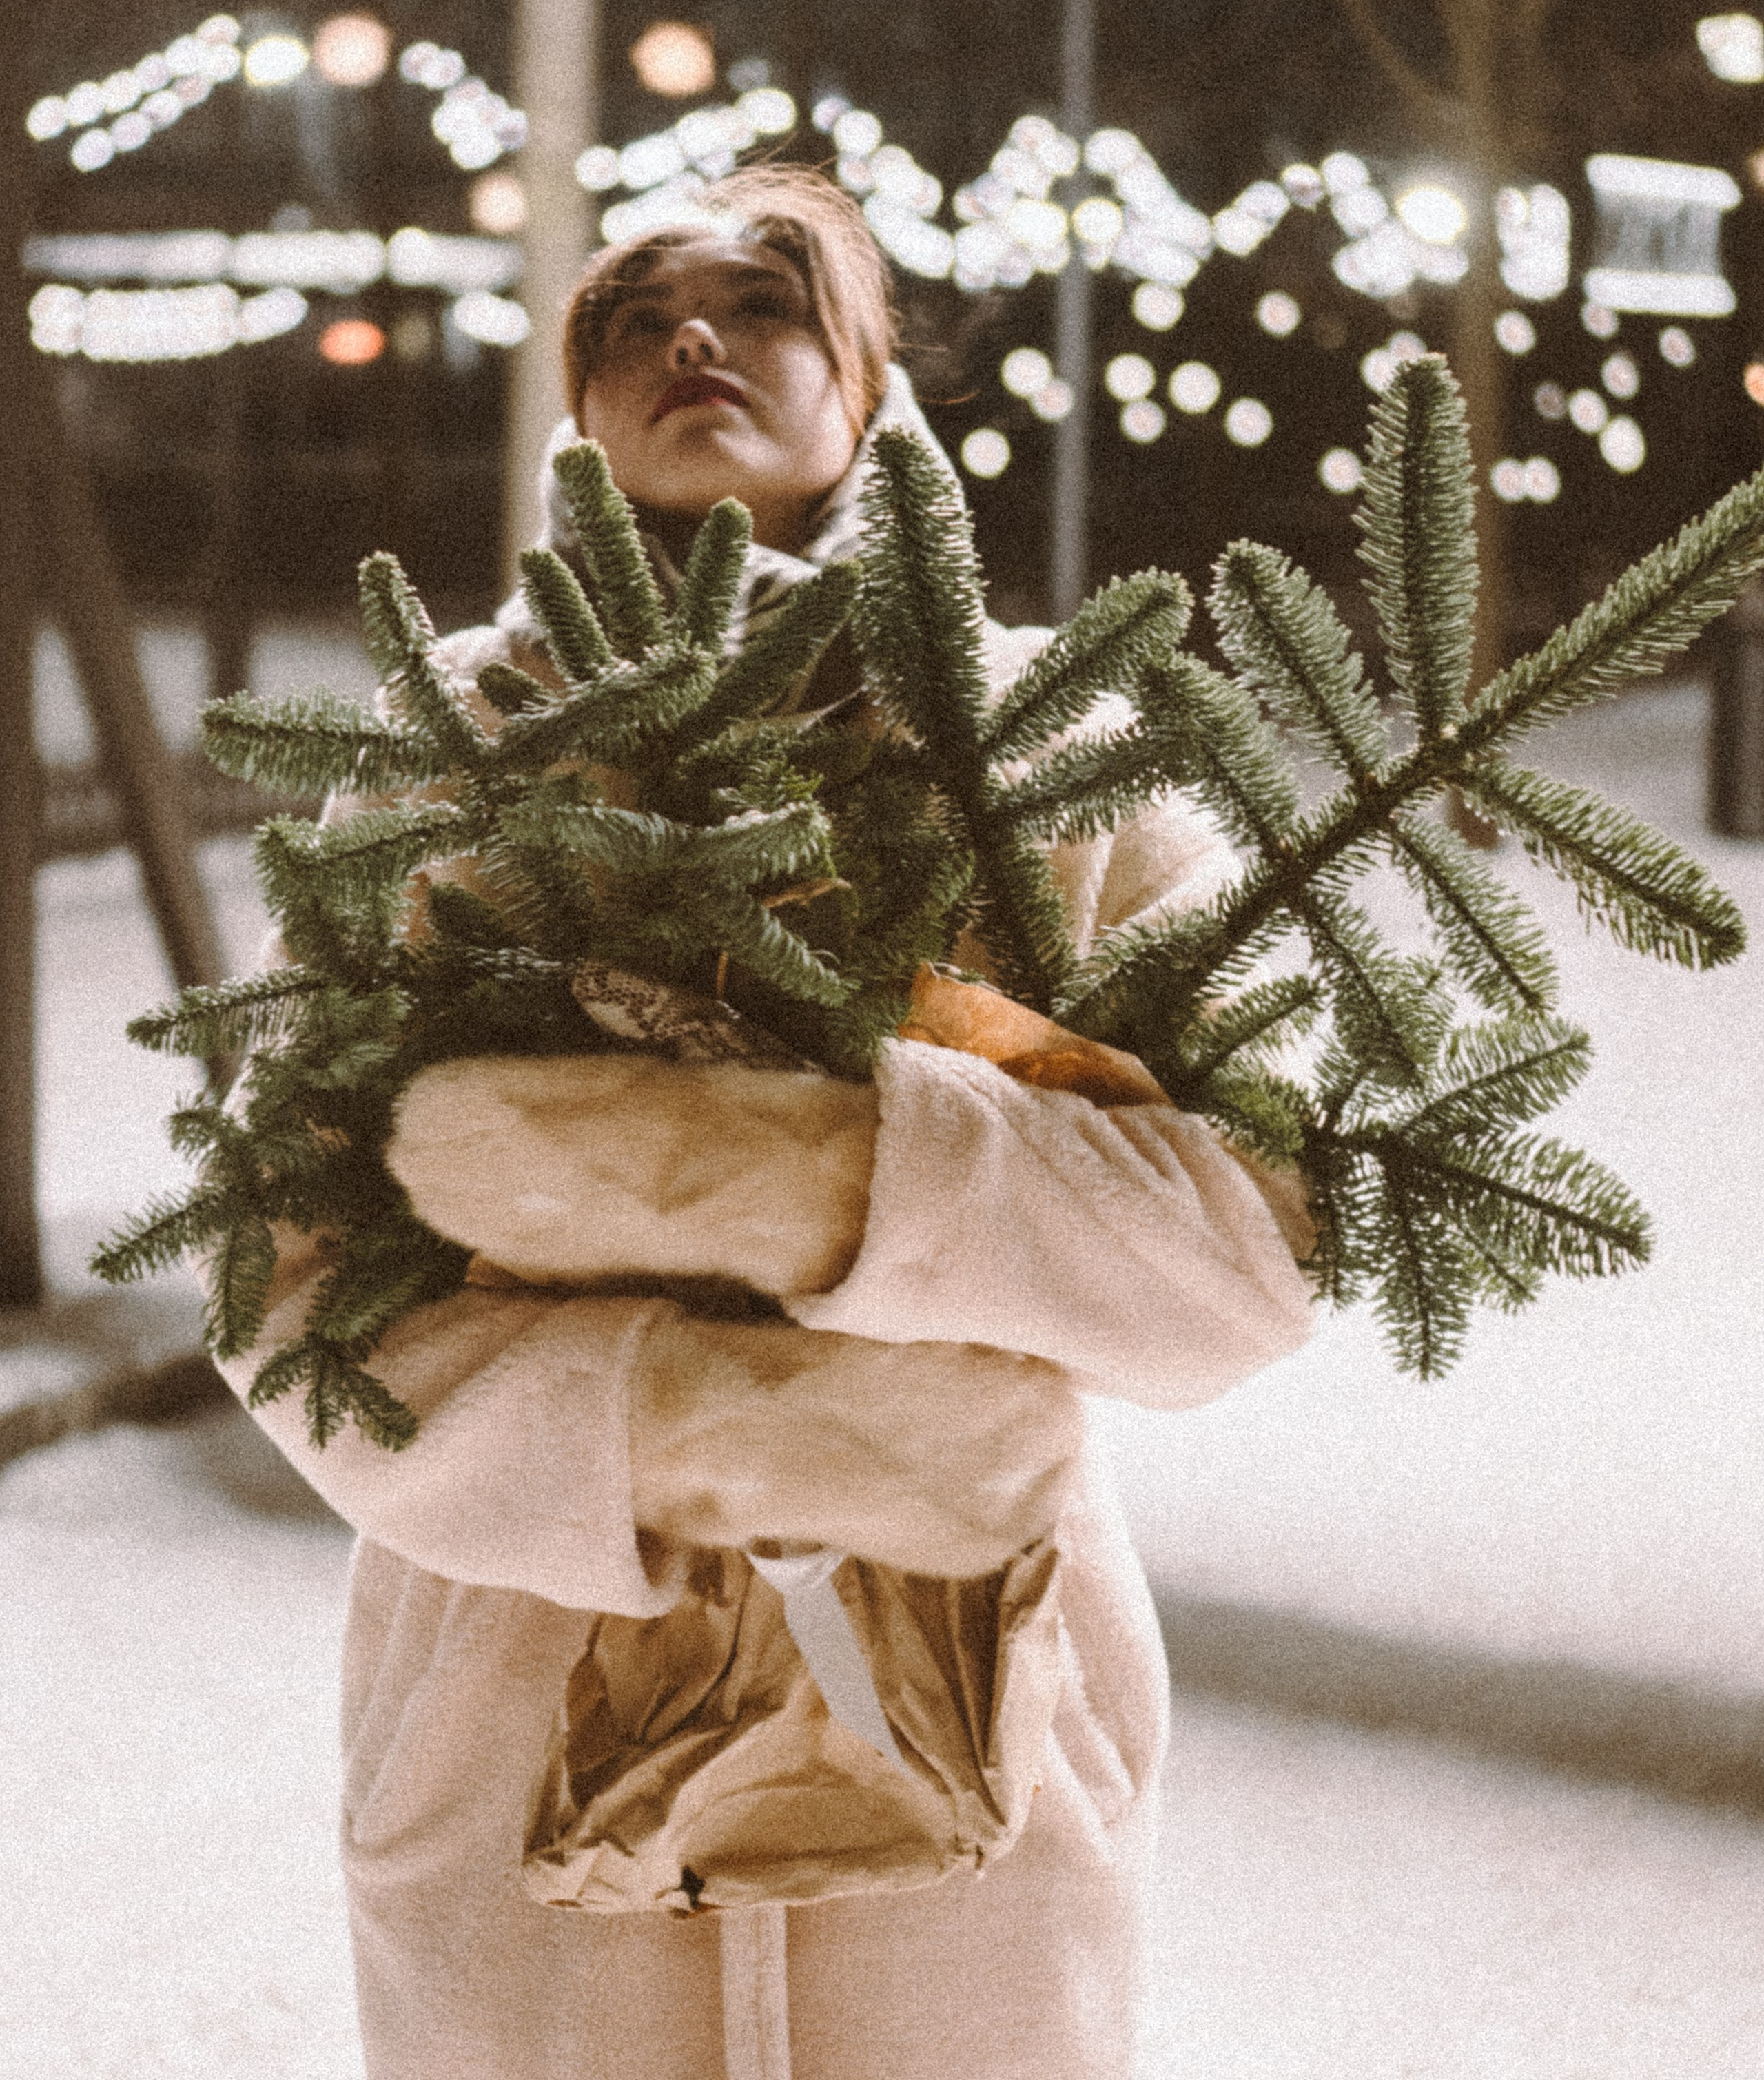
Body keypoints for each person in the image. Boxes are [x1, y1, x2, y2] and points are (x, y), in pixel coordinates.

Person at [223, 165, 1316, 2080]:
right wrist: (675, 1428)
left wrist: (830, 1181)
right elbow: (280, 1268)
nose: (694, 341)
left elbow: (1252, 1237)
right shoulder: (434, 767)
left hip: (981, 1707)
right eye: (637, 317)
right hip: (510, 1716)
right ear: (576, 411)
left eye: (765, 303)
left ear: (873, 379)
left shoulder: (1058, 749)